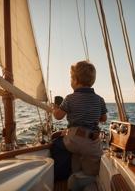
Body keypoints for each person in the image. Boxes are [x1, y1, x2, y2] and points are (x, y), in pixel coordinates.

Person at [53, 60, 107, 190]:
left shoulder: (70, 98)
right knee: (91, 171)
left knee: (57, 145)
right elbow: (103, 119)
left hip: (74, 141)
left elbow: (58, 116)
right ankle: (85, 181)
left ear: (75, 80)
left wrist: (55, 108)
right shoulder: (100, 100)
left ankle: (62, 178)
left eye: (71, 79)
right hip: (92, 143)